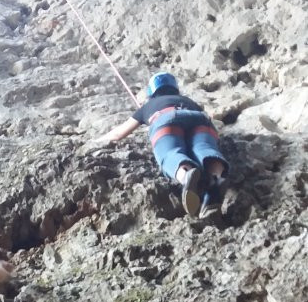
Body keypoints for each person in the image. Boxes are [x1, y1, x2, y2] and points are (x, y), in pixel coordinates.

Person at [98, 72, 229, 218]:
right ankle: (217, 177)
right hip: (200, 119)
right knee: (204, 148)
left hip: (165, 119)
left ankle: (186, 174)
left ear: (151, 92)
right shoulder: (188, 100)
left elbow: (118, 134)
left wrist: (95, 142)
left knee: (170, 152)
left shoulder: (148, 106)